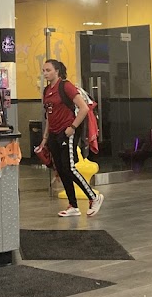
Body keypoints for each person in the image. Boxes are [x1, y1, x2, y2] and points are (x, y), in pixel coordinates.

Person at [40, 59, 104, 218]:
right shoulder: (47, 90)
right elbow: (49, 115)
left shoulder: (66, 86)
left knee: (69, 168)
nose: (45, 73)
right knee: (60, 169)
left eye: (48, 70)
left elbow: (83, 108)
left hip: (67, 131)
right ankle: (73, 205)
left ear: (57, 71)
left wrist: (72, 128)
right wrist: (45, 138)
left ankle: (93, 197)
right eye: (44, 71)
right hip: (54, 133)